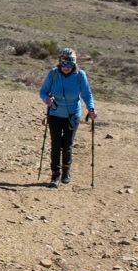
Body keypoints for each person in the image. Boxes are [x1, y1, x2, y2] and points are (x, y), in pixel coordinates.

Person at [37, 47, 96, 187]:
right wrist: (47, 100)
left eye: (69, 65)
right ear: (60, 62)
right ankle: (55, 175)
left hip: (72, 115)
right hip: (55, 114)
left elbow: (87, 95)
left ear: (74, 63)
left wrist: (91, 108)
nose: (66, 68)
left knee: (67, 144)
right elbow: (43, 91)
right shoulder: (53, 73)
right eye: (64, 64)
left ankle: (66, 173)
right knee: (56, 144)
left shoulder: (80, 75)